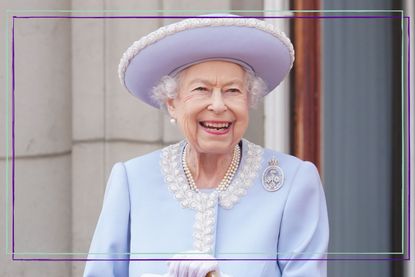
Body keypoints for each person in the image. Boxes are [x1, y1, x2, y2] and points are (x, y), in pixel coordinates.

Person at [84, 14, 329, 277]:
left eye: (232, 91)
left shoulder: (293, 182)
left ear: (249, 100)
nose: (218, 105)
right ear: (172, 103)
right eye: (201, 89)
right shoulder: (132, 181)